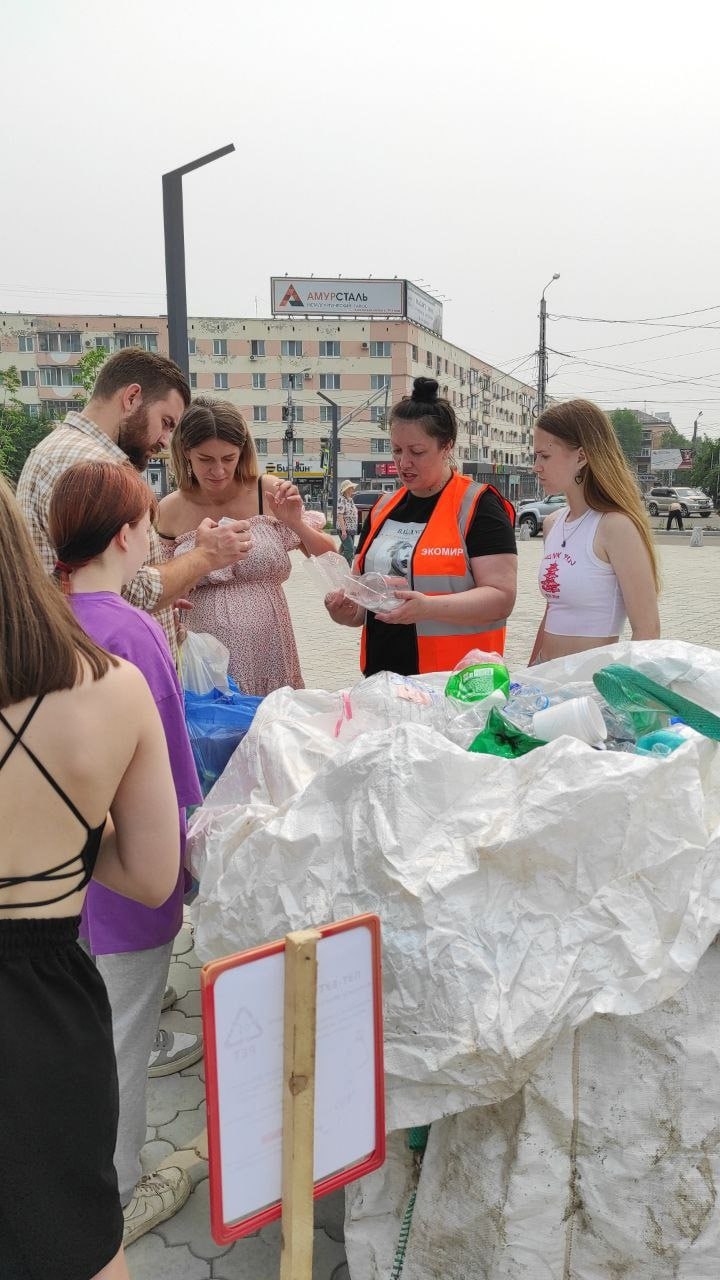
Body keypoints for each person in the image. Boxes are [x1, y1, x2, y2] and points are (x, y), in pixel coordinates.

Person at [0, 473, 180, 1280]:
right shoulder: (112, 684)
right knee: (74, 1245)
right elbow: (150, 875)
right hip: (42, 1017)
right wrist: (71, 829)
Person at [47, 460, 204, 1248]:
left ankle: (67, 1166)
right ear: (124, 534)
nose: (155, 538)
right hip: (125, 871)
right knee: (125, 1033)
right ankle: (117, 1188)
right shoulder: (131, 629)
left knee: (77, 1030)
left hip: (48, 874)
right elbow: (172, 774)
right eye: (150, 526)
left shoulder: (38, 613)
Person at [16, 346, 252, 664]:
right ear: (132, 398)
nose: (166, 440)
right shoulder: (93, 466)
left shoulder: (62, 450)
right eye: (166, 422)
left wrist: (169, 593)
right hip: (109, 671)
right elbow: (132, 592)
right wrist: (206, 555)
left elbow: (108, 584)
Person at [324, 377, 518, 676]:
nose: (403, 463)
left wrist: (428, 608)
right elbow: (363, 599)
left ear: (446, 447)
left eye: (416, 452)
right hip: (383, 676)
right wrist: (348, 611)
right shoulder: (383, 508)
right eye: (397, 450)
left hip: (454, 682)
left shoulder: (478, 506)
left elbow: (501, 599)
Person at [157, 398, 336, 695]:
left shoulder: (267, 491)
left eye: (228, 458)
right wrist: (200, 557)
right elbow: (160, 586)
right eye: (205, 459)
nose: (218, 470)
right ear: (186, 452)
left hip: (271, 652)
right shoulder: (171, 509)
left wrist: (296, 523)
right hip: (205, 659)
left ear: (242, 451)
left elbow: (330, 556)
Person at [530, 399, 660, 664]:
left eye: (545, 456)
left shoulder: (616, 527)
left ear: (581, 456)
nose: (536, 466)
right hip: (545, 678)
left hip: (591, 686)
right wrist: (530, 670)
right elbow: (553, 609)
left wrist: (621, 694)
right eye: (535, 456)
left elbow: (647, 630)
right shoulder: (553, 524)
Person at [337, 479, 359, 565]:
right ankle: (339, 565)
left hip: (352, 529)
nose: (353, 490)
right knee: (349, 550)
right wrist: (343, 531)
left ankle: (347, 571)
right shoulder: (341, 500)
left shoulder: (350, 499)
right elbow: (340, 515)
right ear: (346, 489)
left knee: (346, 550)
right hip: (345, 529)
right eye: (351, 488)